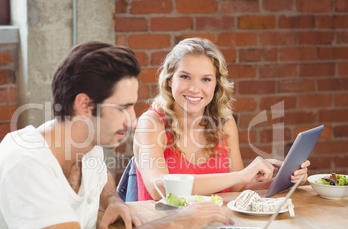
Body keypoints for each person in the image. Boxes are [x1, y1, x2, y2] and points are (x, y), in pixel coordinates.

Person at [0, 41, 234, 229]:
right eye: (123, 107)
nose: (133, 120)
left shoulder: (86, 146)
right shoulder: (25, 160)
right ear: (85, 105)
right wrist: (177, 222)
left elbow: (101, 180)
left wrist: (113, 200)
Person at [133, 37, 310, 201]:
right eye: (185, 77)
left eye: (206, 79)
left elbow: (236, 188)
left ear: (216, 85)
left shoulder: (224, 123)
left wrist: (286, 181)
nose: (195, 88)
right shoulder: (151, 123)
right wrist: (240, 175)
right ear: (170, 79)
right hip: (163, 228)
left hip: (216, 224)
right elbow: (159, 189)